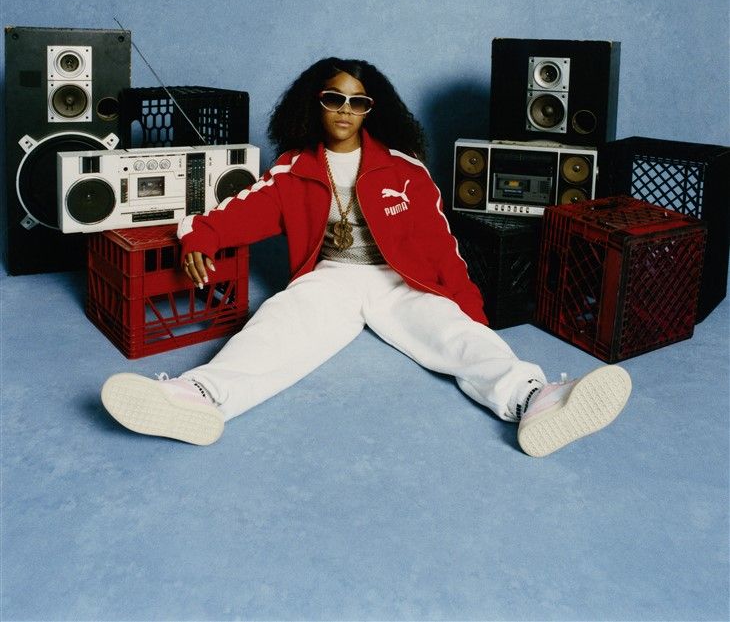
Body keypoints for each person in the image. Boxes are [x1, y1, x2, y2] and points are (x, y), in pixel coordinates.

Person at [101, 57, 631, 456]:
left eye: (358, 102)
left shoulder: (406, 171)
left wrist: (472, 315)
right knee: (275, 325)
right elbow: (238, 213)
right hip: (331, 276)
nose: (346, 112)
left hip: (401, 283)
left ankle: (535, 400)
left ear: (374, 108)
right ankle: (198, 397)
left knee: (455, 336)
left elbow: (442, 248)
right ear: (315, 102)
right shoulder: (293, 168)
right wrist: (199, 239)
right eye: (334, 99)